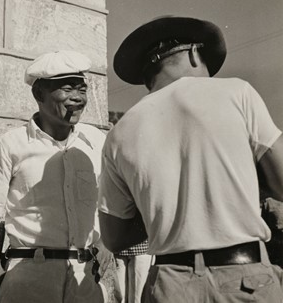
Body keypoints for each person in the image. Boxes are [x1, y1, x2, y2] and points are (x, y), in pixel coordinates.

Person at [98, 16, 283, 302]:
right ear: (196, 54)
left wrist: (166, 213)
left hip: (170, 284)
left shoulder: (120, 132)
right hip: (244, 277)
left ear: (146, 74)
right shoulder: (236, 92)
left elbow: (114, 237)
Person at [0, 50, 112, 303]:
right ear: (39, 94)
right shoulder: (11, 145)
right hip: (29, 278)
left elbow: (111, 201)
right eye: (68, 89)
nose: (77, 98)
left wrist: (107, 246)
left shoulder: (97, 142)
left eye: (82, 90)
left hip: (86, 280)